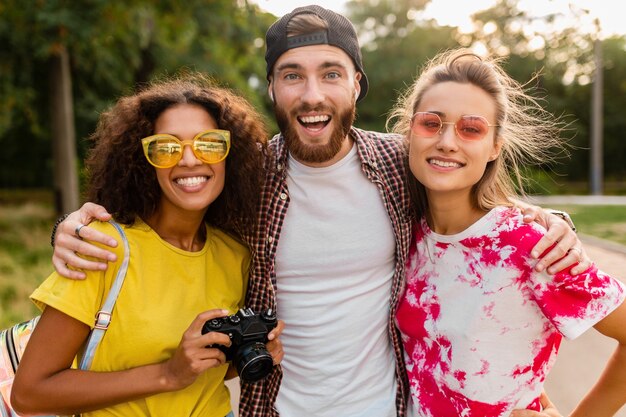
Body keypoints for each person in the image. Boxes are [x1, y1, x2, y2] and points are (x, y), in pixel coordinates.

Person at [49, 6, 588, 417]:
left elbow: (464, 181)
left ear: (357, 83)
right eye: (292, 75)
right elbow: (164, 204)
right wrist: (69, 226)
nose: (312, 94)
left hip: (388, 407)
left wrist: (548, 220)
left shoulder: (399, 163)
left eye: (331, 74)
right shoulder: (243, 179)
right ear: (272, 89)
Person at [11, 74, 284, 417]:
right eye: (167, 148)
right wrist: (167, 375)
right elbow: (30, 392)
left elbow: (210, 371)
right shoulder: (102, 246)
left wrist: (253, 349)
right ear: (144, 161)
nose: (188, 160)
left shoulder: (235, 255)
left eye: (209, 143)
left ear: (230, 156)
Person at [389, 48, 626, 417]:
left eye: (471, 129)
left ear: (494, 146)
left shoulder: (531, 246)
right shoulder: (406, 232)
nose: (447, 141)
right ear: (410, 133)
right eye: (431, 123)